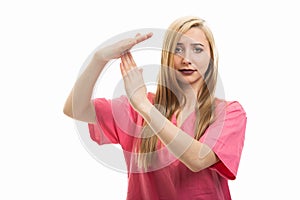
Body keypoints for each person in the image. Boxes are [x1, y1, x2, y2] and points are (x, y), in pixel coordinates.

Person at [63, 16, 247, 200]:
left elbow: (197, 159)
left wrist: (144, 106)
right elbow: (75, 109)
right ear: (167, 57)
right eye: (178, 49)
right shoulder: (135, 108)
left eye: (197, 49)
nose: (186, 59)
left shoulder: (229, 113)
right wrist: (99, 58)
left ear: (211, 58)